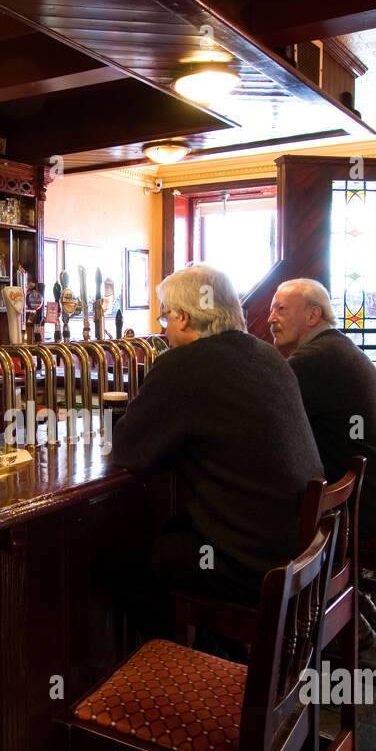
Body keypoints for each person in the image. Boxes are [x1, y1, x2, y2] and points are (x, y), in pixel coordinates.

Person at [111, 265, 324, 659]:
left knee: (118, 562)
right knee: (172, 534)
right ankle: (226, 656)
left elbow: (127, 450)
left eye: (164, 316)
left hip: (249, 561)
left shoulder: (183, 364)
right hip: (300, 548)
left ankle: (209, 666)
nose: (163, 328)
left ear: (184, 318)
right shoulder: (267, 354)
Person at [268, 278, 376, 647]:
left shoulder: (314, 360)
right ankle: (349, 602)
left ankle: (331, 617)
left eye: (281, 309)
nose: (270, 318)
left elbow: (267, 418)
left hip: (371, 505)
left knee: (273, 523)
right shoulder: (335, 347)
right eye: (272, 309)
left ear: (313, 314)